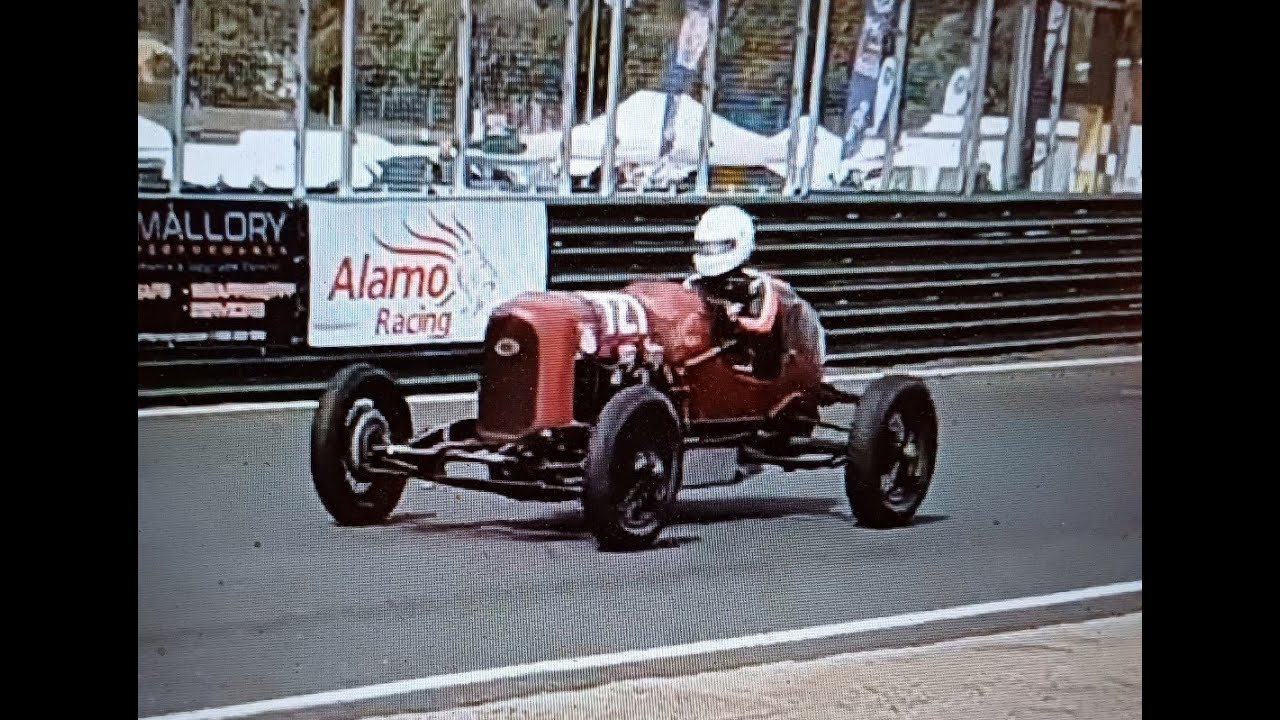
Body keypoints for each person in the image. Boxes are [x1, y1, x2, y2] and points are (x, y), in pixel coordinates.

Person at [683, 204, 783, 380]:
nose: (710, 253)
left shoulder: (757, 283)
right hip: (701, 362)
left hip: (747, 370)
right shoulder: (693, 283)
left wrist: (732, 321)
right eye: (705, 247)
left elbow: (763, 324)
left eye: (719, 247)